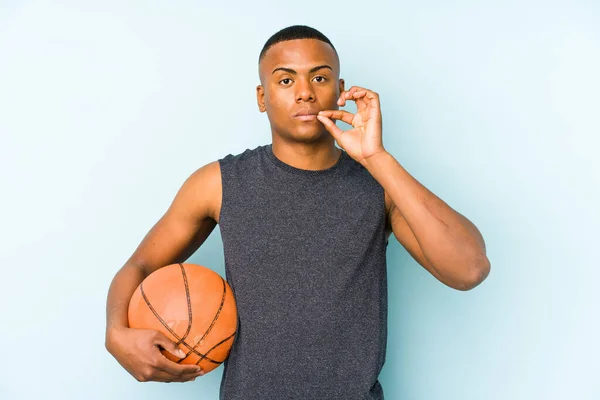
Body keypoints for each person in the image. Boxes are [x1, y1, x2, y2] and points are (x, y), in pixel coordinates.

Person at [105, 25, 491, 399]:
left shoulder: (379, 187)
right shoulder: (218, 184)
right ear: (262, 97)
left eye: (320, 79)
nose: (305, 93)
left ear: (340, 92)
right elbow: (139, 265)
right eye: (286, 81)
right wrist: (115, 333)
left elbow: (468, 268)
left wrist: (377, 158)